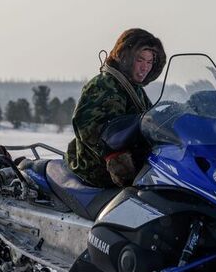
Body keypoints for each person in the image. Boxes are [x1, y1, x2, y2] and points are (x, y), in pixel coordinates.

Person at [65, 28, 166, 188]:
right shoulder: (104, 84)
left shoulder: (134, 88)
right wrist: (116, 159)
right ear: (126, 58)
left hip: (137, 169)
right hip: (97, 171)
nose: (145, 67)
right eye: (140, 60)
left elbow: (148, 120)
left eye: (149, 62)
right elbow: (90, 127)